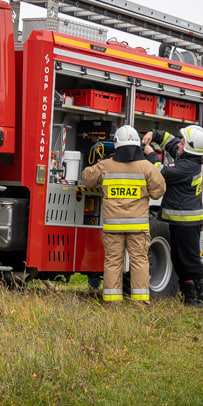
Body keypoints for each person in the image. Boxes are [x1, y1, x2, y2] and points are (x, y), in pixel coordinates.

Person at [82, 125, 165, 304]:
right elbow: (159, 191)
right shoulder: (146, 167)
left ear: (117, 145)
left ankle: (112, 303)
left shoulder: (106, 166)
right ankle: (140, 303)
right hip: (138, 227)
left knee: (113, 263)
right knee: (140, 262)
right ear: (137, 145)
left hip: (114, 228)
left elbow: (86, 177)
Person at [141, 124, 203, 307]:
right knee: (178, 260)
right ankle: (189, 296)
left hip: (187, 223)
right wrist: (153, 133)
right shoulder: (187, 156)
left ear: (189, 147)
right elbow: (169, 140)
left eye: (182, 142)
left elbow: (160, 171)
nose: (178, 144)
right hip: (179, 221)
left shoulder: (187, 166)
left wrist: (150, 154)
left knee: (190, 259)